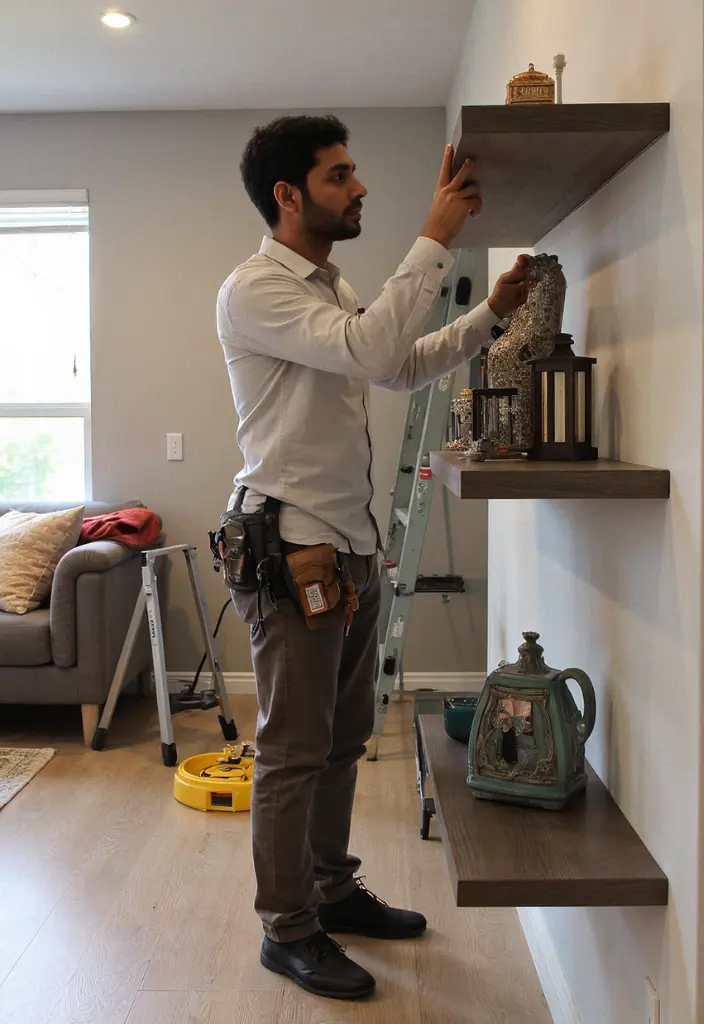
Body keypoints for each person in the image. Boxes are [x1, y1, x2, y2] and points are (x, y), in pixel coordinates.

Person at [216, 115, 531, 1002]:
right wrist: (435, 237)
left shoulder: (330, 284)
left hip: (346, 552)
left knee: (344, 741)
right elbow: (370, 347)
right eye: (339, 175)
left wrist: (491, 314)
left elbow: (392, 366)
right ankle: (288, 929)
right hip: (289, 552)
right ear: (288, 194)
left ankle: (328, 890)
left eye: (355, 172)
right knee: (291, 751)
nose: (359, 189)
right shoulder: (254, 291)